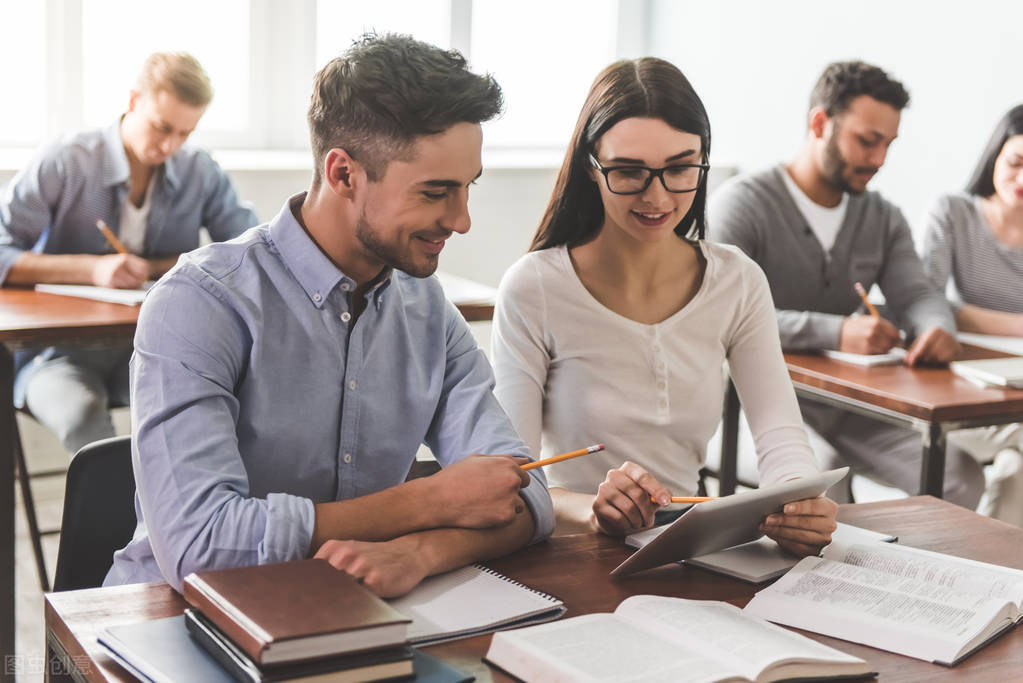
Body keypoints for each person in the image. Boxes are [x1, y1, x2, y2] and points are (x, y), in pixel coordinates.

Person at [104, 34, 554, 596]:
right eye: (435, 192)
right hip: (176, 614)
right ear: (343, 174)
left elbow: (524, 492)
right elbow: (201, 544)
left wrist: (419, 552)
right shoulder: (199, 302)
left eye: (467, 189)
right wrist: (427, 501)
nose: (461, 220)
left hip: (355, 606)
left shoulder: (427, 309)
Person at [491, 57, 836, 555]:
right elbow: (516, 478)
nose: (656, 196)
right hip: (568, 553)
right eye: (629, 171)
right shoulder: (534, 287)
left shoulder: (736, 281)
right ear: (591, 167)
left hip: (686, 550)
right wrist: (592, 510)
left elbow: (781, 439)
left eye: (679, 168)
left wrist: (800, 501)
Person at [709, 60, 984, 507]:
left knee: (960, 477)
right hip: (743, 405)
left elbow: (918, 294)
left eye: (888, 144)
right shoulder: (742, 205)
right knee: (820, 479)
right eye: (867, 141)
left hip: (845, 406)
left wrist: (937, 327)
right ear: (820, 123)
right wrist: (835, 332)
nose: (879, 160)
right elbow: (721, 315)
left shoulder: (883, 217)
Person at [0, 52, 258, 454]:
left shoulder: (199, 170)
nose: (170, 145)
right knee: (82, 414)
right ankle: (119, 500)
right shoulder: (67, 160)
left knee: (213, 404)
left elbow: (249, 251)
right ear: (134, 100)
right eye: (162, 127)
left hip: (159, 346)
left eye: (186, 133)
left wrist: (153, 267)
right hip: (56, 355)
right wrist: (93, 270)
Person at [922, 104, 1023, 526]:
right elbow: (926, 299)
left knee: (1016, 472)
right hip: (965, 388)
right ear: (995, 155)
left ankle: (992, 563)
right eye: (1016, 163)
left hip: (1017, 389)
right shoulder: (955, 212)